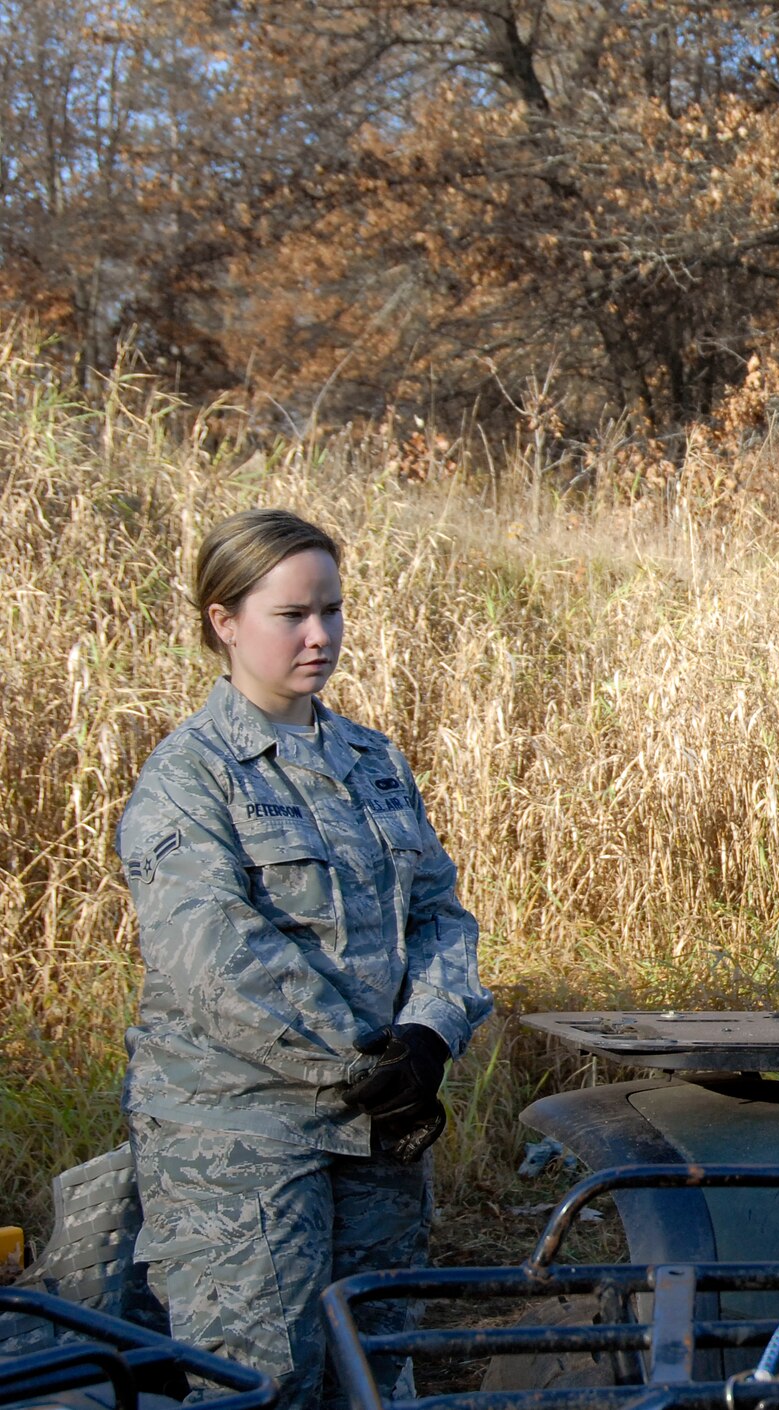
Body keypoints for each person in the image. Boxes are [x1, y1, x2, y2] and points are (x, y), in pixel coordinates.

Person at [118, 509, 492, 1409]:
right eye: (291, 615)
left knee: (375, 1369)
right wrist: (369, 1062)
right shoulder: (189, 777)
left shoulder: (372, 762)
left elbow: (440, 914)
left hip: (381, 1125)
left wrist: (431, 1036)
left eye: (332, 609)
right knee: (263, 1382)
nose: (319, 635)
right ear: (224, 620)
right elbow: (217, 963)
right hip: (242, 1139)